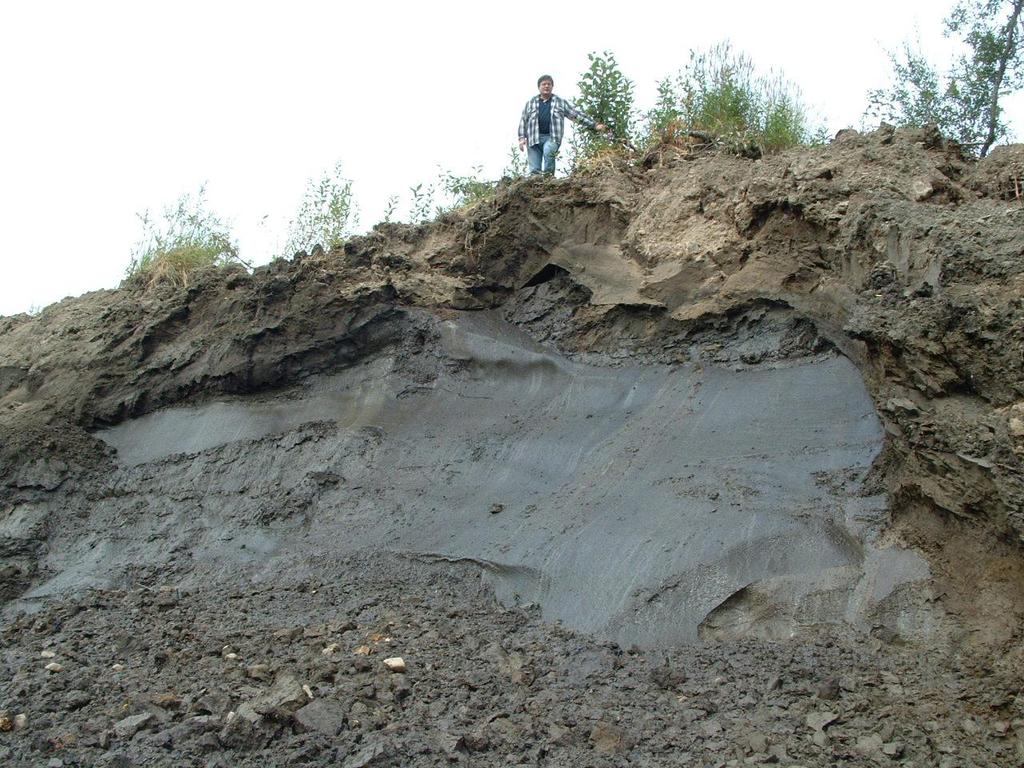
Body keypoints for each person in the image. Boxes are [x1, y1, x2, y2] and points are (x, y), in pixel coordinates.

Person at [518, 75, 606, 176]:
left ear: (552, 87)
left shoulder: (560, 102)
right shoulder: (530, 103)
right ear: (539, 87)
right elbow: (523, 121)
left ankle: (548, 179)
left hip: (552, 137)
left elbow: (575, 115)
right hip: (533, 138)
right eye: (543, 84)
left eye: (549, 84)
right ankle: (536, 188)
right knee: (534, 170)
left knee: (548, 152)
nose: (546, 86)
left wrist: (594, 125)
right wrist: (521, 138)